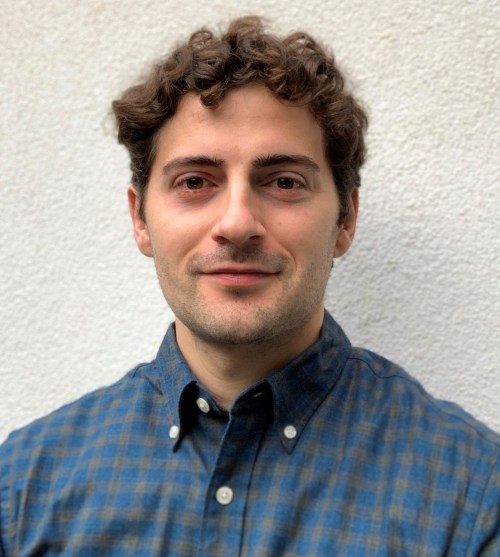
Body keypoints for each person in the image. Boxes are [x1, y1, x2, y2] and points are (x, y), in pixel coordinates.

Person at [1, 16, 498, 556]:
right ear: (140, 219)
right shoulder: (22, 491)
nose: (237, 224)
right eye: (195, 182)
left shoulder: (472, 496)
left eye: (284, 181)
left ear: (346, 219)